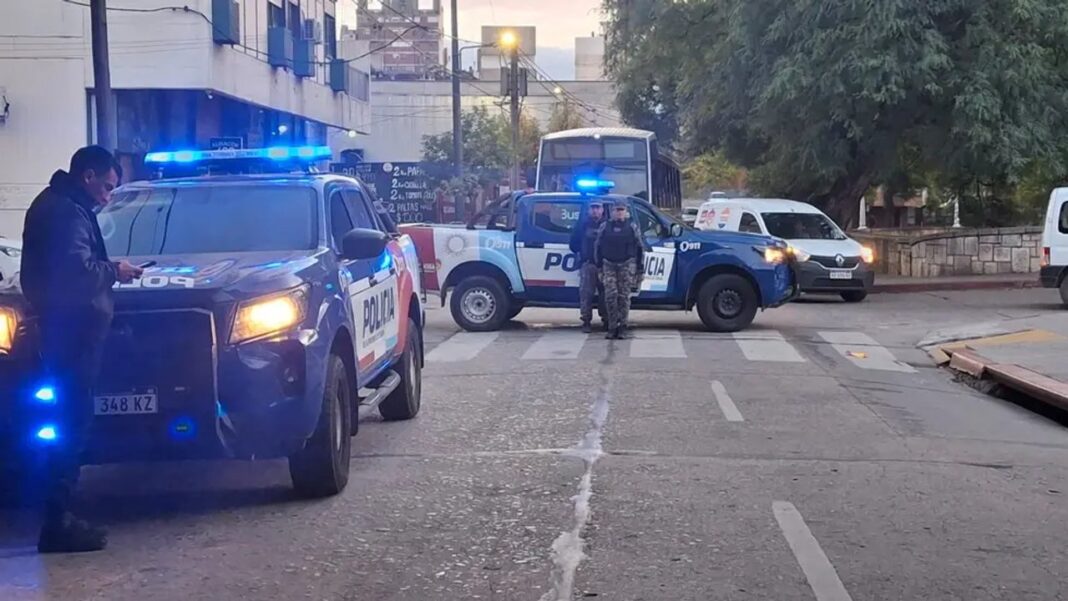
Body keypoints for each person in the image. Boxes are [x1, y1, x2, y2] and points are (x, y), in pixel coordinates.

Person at [20, 145, 143, 553]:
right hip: (71, 336)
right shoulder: (66, 212)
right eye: (106, 187)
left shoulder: (60, 205)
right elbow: (75, 273)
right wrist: (116, 270)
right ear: (87, 176)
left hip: (64, 333)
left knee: (67, 423)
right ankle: (57, 523)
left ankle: (58, 517)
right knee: (70, 425)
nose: (108, 197)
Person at [596, 200, 645, 340]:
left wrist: (640, 269)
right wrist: (599, 267)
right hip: (609, 264)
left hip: (626, 264)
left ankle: (623, 326)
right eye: (617, 210)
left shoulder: (632, 227)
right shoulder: (605, 226)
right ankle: (612, 327)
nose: (619, 212)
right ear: (612, 212)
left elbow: (640, 248)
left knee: (624, 297)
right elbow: (598, 247)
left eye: (621, 210)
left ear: (626, 212)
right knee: (610, 296)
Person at [569, 201, 607, 333]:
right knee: (586, 294)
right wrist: (584, 253)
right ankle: (586, 321)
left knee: (606, 295)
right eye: (593, 208)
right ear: (589, 210)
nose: (595, 210)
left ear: (602, 210)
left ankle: (606, 320)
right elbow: (573, 244)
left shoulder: (607, 225)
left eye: (598, 208)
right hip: (588, 264)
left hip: (604, 266)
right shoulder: (582, 225)